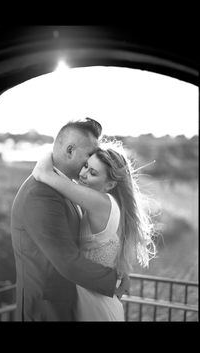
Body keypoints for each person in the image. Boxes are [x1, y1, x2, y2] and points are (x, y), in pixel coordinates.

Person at [11, 118, 129, 321]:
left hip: (68, 305)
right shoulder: (41, 194)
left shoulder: (67, 189)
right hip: (46, 311)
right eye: (89, 155)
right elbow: (67, 262)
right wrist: (116, 281)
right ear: (70, 150)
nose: (90, 161)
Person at [32, 140, 157, 321]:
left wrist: (50, 151)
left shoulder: (101, 203)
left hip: (98, 309)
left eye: (93, 173)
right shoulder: (112, 206)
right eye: (85, 166)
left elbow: (43, 173)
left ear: (110, 185)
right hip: (95, 303)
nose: (83, 174)